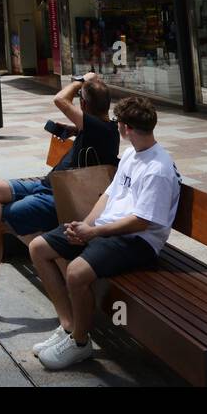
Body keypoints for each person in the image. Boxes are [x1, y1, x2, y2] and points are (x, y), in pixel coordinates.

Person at [0, 74, 119, 322]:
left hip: (63, 198)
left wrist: (79, 81)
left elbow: (59, 100)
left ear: (84, 106)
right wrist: (73, 130)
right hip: (47, 185)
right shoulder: (97, 127)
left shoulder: (101, 129)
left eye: (80, 101)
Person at [28, 95, 180, 370]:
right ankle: (69, 326)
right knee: (38, 248)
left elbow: (141, 223)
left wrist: (93, 234)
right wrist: (84, 225)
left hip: (137, 241)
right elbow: (109, 195)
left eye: (118, 123)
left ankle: (80, 344)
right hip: (107, 229)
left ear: (125, 128)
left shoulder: (158, 169)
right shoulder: (134, 153)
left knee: (76, 272)